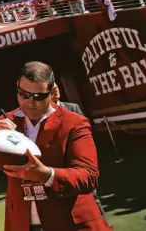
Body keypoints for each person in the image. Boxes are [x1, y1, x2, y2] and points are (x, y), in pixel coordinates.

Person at [0, 62, 110, 231]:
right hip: (23, 222)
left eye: (38, 96)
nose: (30, 102)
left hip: (68, 222)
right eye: (24, 94)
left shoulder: (74, 122)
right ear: (17, 88)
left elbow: (89, 176)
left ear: (52, 93)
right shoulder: (5, 121)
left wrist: (47, 174)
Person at [51, 83, 111, 227]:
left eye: (57, 87)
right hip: (60, 167)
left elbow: (85, 133)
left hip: (80, 161)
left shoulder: (73, 108)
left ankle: (104, 226)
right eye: (52, 88)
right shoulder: (42, 115)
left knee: (93, 196)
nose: (56, 90)